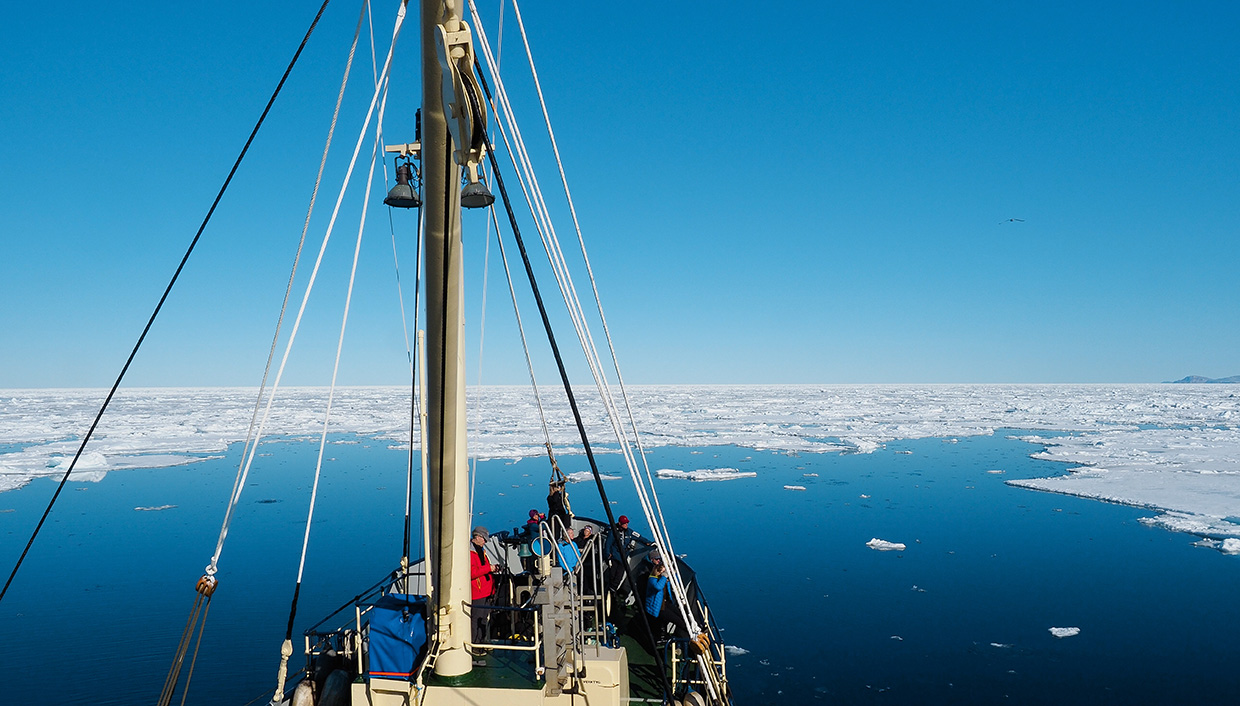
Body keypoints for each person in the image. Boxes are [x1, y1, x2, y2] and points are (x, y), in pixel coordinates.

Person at [470, 526, 495, 644]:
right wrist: (489, 568)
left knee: (484, 618)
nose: (485, 541)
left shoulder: (481, 551)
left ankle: (482, 641)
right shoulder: (469, 553)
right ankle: (475, 644)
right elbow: (472, 573)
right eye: (484, 538)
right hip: (478, 592)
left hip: (487, 591)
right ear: (477, 537)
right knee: (476, 619)